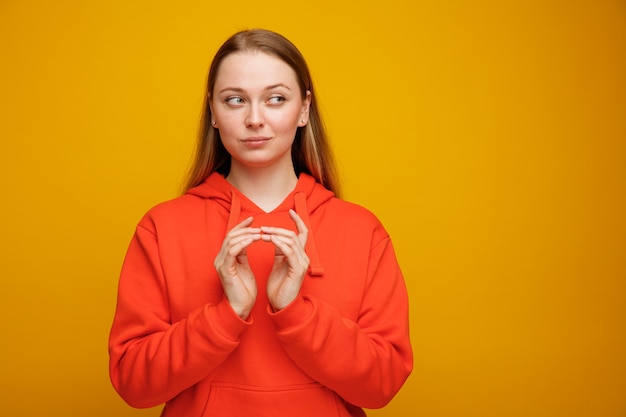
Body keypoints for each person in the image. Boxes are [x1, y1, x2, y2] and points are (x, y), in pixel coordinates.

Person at [108, 28, 412, 417]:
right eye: (235, 100)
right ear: (213, 113)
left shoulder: (362, 230)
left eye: (275, 99)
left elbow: (383, 384)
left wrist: (296, 312)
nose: (254, 119)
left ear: (303, 109)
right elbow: (133, 383)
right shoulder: (161, 227)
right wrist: (226, 313)